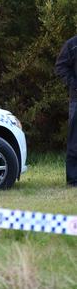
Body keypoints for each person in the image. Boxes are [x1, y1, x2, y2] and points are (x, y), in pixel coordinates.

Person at [55, 35, 77, 186]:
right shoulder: (72, 44)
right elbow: (60, 67)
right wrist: (74, 84)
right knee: (75, 140)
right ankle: (73, 179)